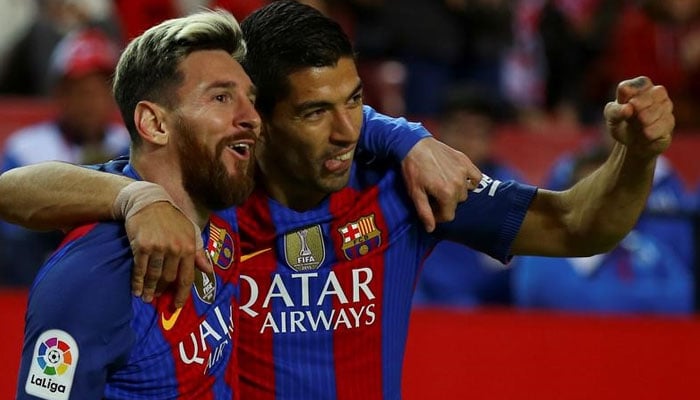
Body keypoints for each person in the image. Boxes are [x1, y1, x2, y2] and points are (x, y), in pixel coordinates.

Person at [0, 1, 674, 398]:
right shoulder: (212, 187)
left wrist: (638, 153)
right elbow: (14, 191)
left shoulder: (404, 185)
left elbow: (579, 225)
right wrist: (135, 197)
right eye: (317, 111)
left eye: (357, 102)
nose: (348, 130)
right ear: (256, 114)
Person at [15, 9, 260, 398]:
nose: (252, 118)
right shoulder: (92, 279)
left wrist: (395, 137)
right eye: (221, 97)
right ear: (155, 124)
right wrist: (137, 198)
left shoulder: (219, 193)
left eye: (250, 99)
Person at [0, 27, 129, 286]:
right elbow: (12, 233)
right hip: (36, 282)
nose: (91, 103)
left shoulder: (129, 144)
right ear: (61, 95)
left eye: (100, 91)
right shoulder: (26, 148)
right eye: (81, 91)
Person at [513, 146, 694, 314]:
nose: (602, 202)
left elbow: (684, 296)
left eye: (611, 192)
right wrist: (643, 300)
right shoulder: (544, 250)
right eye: (591, 193)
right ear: (571, 197)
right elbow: (567, 300)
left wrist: (611, 298)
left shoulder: (645, 247)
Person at [414, 86, 523, 307]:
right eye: (461, 130)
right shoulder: (415, 183)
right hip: (423, 312)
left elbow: (518, 273)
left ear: (491, 138)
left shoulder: (510, 188)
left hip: (492, 317)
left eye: (478, 132)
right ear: (441, 132)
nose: (469, 141)